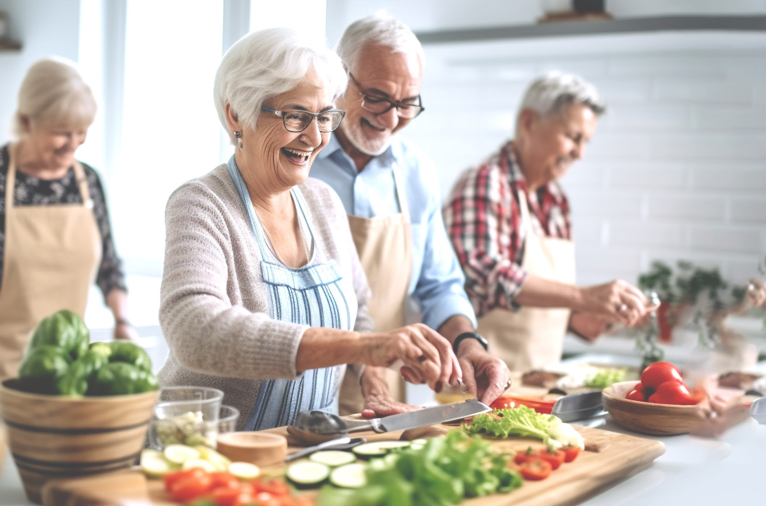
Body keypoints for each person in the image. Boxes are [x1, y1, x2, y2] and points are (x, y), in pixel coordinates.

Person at [158, 28, 463, 431]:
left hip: (305, 447)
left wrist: (374, 383)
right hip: (206, 451)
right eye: (297, 116)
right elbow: (193, 328)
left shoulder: (323, 204)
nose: (317, 136)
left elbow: (360, 315)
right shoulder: (201, 204)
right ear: (237, 113)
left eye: (324, 117)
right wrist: (369, 347)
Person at [309, 12, 509, 416]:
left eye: (405, 104)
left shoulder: (416, 173)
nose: (389, 118)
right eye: (377, 97)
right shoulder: (298, 160)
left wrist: (468, 343)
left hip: (386, 399)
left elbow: (439, 286)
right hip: (301, 389)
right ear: (338, 76)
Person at [0, 57, 135, 415]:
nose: (72, 144)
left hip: (66, 376)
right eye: (61, 132)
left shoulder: (86, 182)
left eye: (81, 131)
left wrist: (122, 320)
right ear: (27, 120)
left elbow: (109, 265)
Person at [444, 72, 650, 372]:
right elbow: (481, 272)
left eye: (585, 142)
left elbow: (532, 303)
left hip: (537, 384)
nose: (579, 153)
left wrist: (578, 319)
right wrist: (584, 296)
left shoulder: (556, 201)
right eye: (572, 137)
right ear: (529, 122)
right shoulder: (487, 182)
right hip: (476, 384)